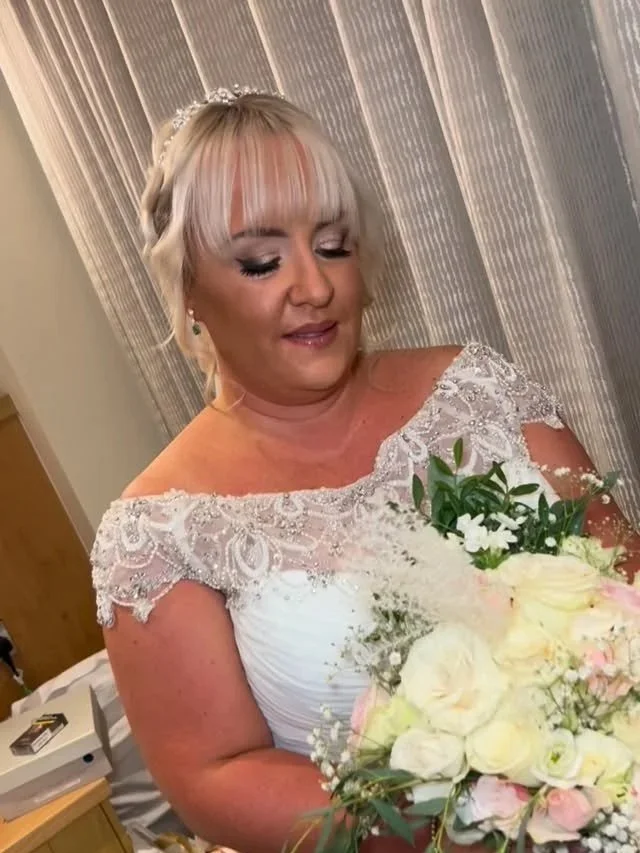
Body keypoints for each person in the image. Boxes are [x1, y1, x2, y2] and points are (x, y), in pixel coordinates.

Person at [91, 87, 640, 853]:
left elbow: (623, 579)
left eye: (333, 245)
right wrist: (479, 819)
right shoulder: (159, 529)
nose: (313, 288)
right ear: (188, 288)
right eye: (260, 261)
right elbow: (217, 776)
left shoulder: (473, 386)